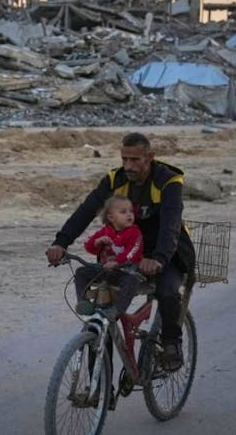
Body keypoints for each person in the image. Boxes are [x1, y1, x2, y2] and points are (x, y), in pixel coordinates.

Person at [46, 132, 196, 372]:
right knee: (102, 302)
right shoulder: (115, 180)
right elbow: (86, 210)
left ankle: (171, 344)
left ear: (150, 158)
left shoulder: (167, 181)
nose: (129, 166)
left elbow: (170, 225)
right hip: (123, 254)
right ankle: (99, 376)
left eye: (135, 160)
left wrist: (158, 258)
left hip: (166, 253)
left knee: (167, 291)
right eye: (124, 159)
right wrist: (61, 242)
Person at [72, 195, 144, 318]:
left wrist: (117, 262)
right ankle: (83, 302)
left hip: (125, 271)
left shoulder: (134, 232)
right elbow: (89, 247)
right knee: (81, 272)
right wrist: (97, 242)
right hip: (105, 270)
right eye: (123, 212)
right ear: (111, 217)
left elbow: (133, 252)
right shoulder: (105, 231)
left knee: (132, 281)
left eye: (131, 211)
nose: (129, 215)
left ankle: (117, 310)